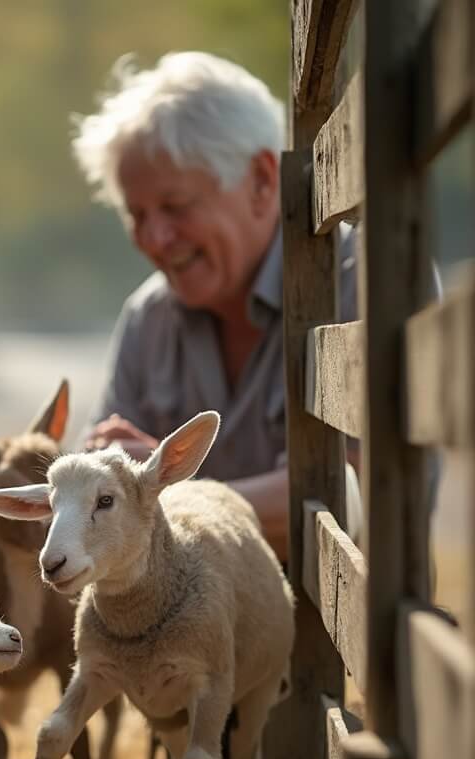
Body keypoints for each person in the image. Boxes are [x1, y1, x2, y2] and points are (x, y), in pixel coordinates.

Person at [73, 51, 357, 565]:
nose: (155, 239)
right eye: (137, 214)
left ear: (262, 180)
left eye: (177, 206)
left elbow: (355, 491)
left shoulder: (357, 280)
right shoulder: (147, 318)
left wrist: (159, 486)